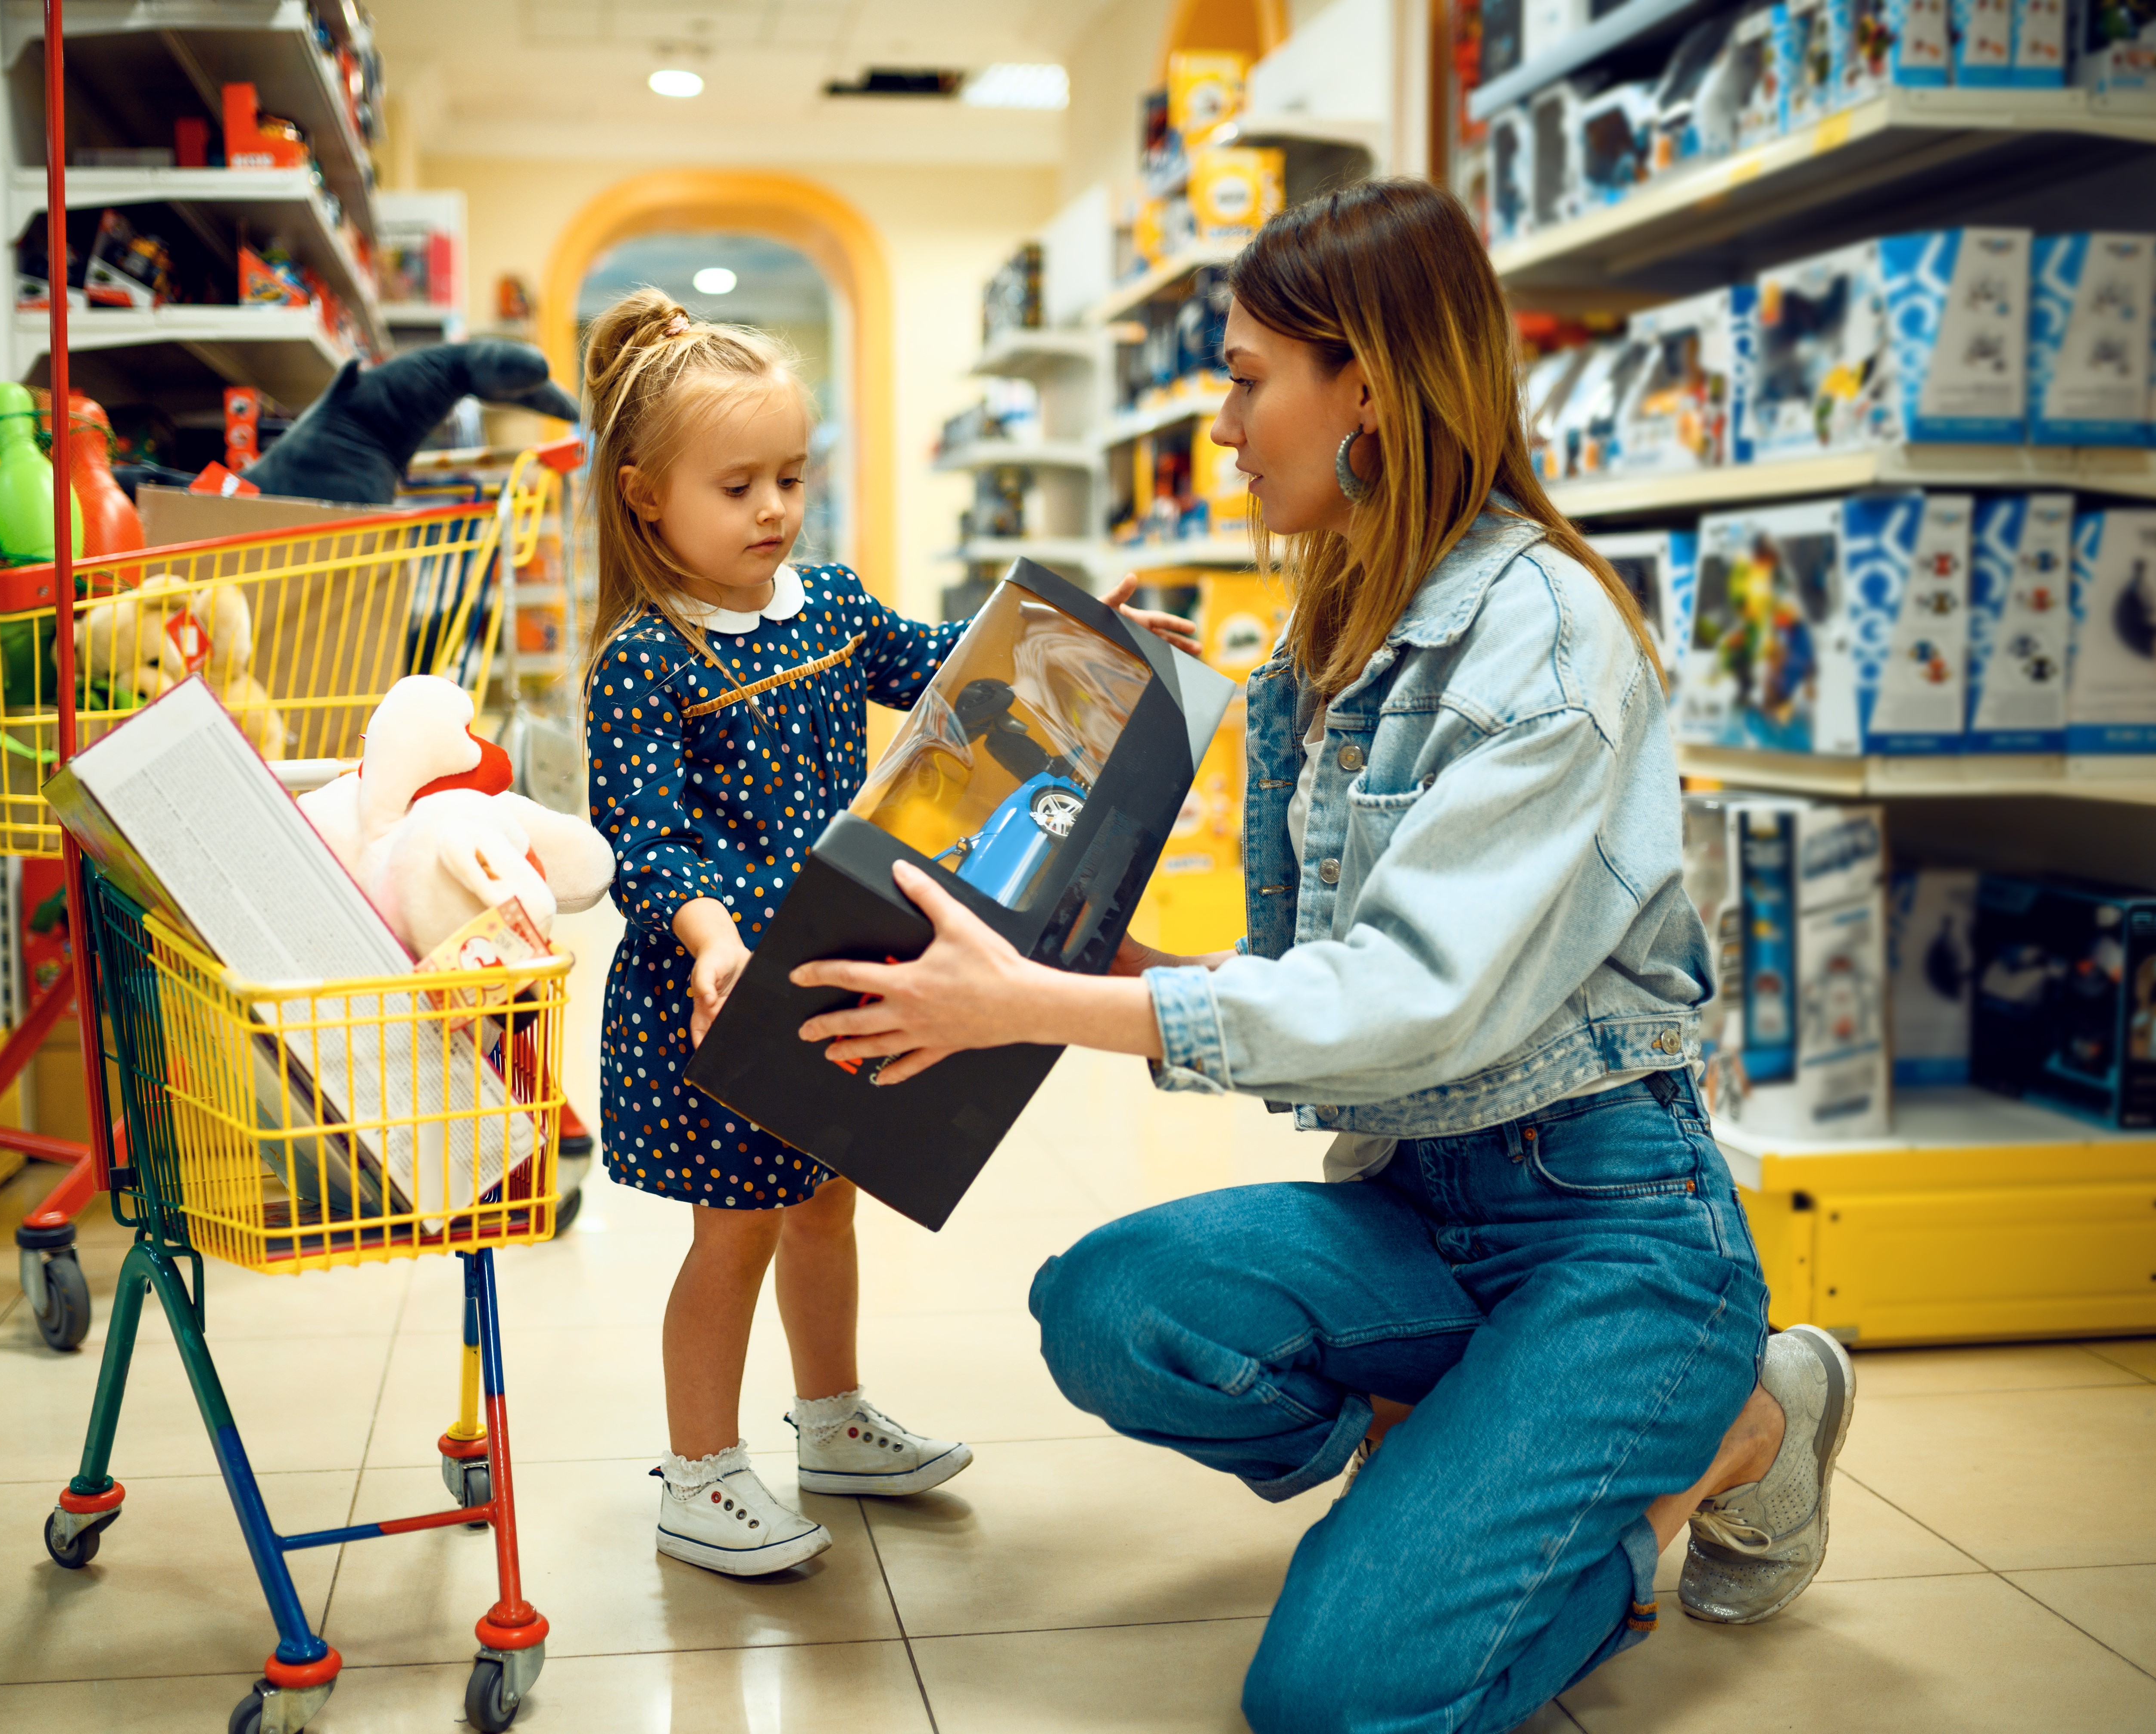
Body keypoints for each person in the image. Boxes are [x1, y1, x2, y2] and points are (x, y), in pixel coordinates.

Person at [786, 181, 1856, 1731]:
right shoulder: (1325, 644)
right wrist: (1053, 922)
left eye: (1240, 376)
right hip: (1420, 1194)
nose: (1219, 423)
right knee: (1112, 1304)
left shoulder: (1545, 643)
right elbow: (1302, 977)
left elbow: (1398, 1003)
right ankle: (1474, 1444)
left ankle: (1736, 1431)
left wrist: (1038, 1002)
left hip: (1612, 1228)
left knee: (1332, 1702)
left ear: (1364, 380)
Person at [577, 285, 1198, 1575]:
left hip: (828, 962)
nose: (772, 511)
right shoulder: (648, 658)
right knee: (736, 1225)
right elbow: (641, 835)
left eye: (790, 478)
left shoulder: (828, 606)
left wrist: (1097, 635)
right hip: (718, 990)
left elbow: (953, 668)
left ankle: (829, 1422)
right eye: (735, 485)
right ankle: (696, 1473)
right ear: (644, 496)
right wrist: (703, 932)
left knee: (825, 1200)